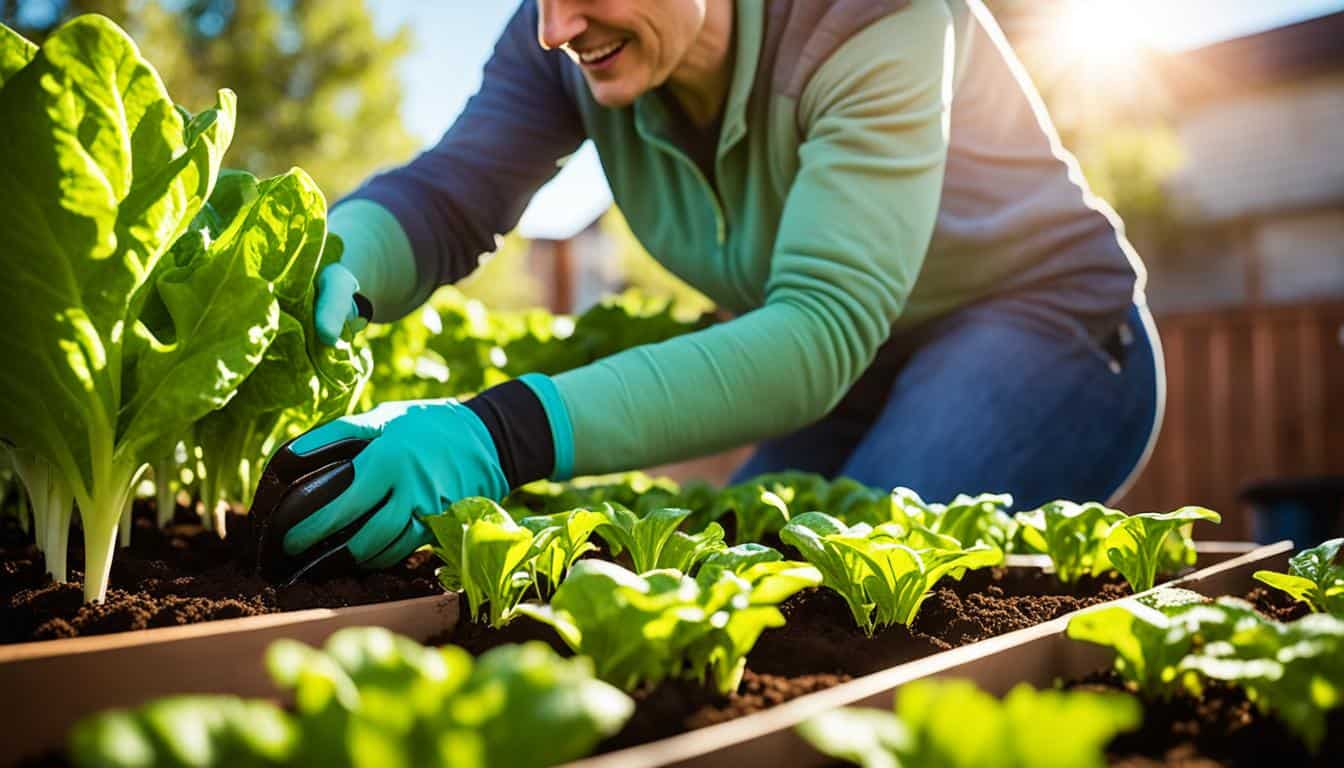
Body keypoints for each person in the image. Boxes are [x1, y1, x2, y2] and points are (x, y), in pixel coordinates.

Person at [272, 0, 1163, 572]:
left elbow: (819, 331)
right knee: (738, 569)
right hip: (859, 375)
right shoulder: (566, 42)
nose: (554, 27)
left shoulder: (872, 16)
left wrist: (500, 433)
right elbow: (445, 198)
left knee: (853, 586)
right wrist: (329, 261)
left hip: (1046, 330)